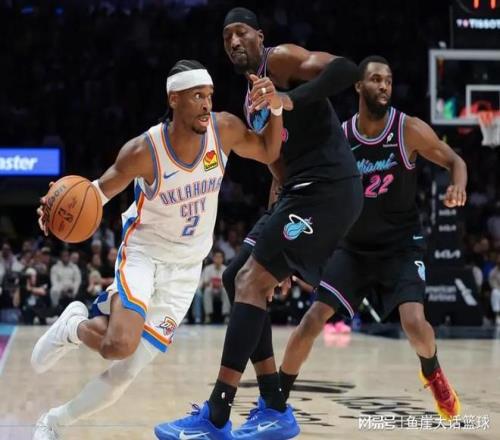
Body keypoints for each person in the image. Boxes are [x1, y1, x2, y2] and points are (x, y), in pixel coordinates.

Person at [31, 59, 284, 440]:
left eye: (209, 95)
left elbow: (268, 150)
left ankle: (54, 421)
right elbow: (95, 193)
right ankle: (74, 328)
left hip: (187, 269)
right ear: (174, 99)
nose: (206, 104)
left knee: (125, 371)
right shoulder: (144, 150)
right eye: (197, 96)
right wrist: (52, 211)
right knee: (119, 344)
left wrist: (276, 107)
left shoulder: (224, 130)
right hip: (144, 255)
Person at [155, 7, 362, 440]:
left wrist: (289, 98)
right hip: (298, 193)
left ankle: (217, 413)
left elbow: (346, 69)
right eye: (226, 37)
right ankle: (274, 406)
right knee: (238, 277)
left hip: (330, 188)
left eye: (241, 33)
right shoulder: (252, 104)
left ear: (259, 37)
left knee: (252, 279)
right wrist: (274, 236)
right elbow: (278, 168)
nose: (234, 42)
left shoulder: (281, 60)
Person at [276, 56, 467, 422]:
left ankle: (432, 372)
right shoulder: (341, 137)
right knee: (312, 320)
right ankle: (276, 397)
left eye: (389, 81)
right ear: (358, 86)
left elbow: (455, 161)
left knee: (415, 324)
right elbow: (310, 192)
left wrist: (458, 185)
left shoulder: (407, 129)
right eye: (376, 79)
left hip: (400, 245)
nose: (384, 86)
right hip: (353, 248)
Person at [201, 249, 231, 323]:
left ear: (223, 259)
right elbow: (204, 283)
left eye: (220, 257)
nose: (218, 259)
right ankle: (208, 315)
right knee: (207, 290)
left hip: (221, 290)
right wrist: (212, 283)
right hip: (211, 289)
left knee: (225, 291)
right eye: (216, 257)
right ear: (213, 258)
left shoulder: (226, 269)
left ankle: (226, 315)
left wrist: (220, 285)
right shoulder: (207, 269)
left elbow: (228, 284)